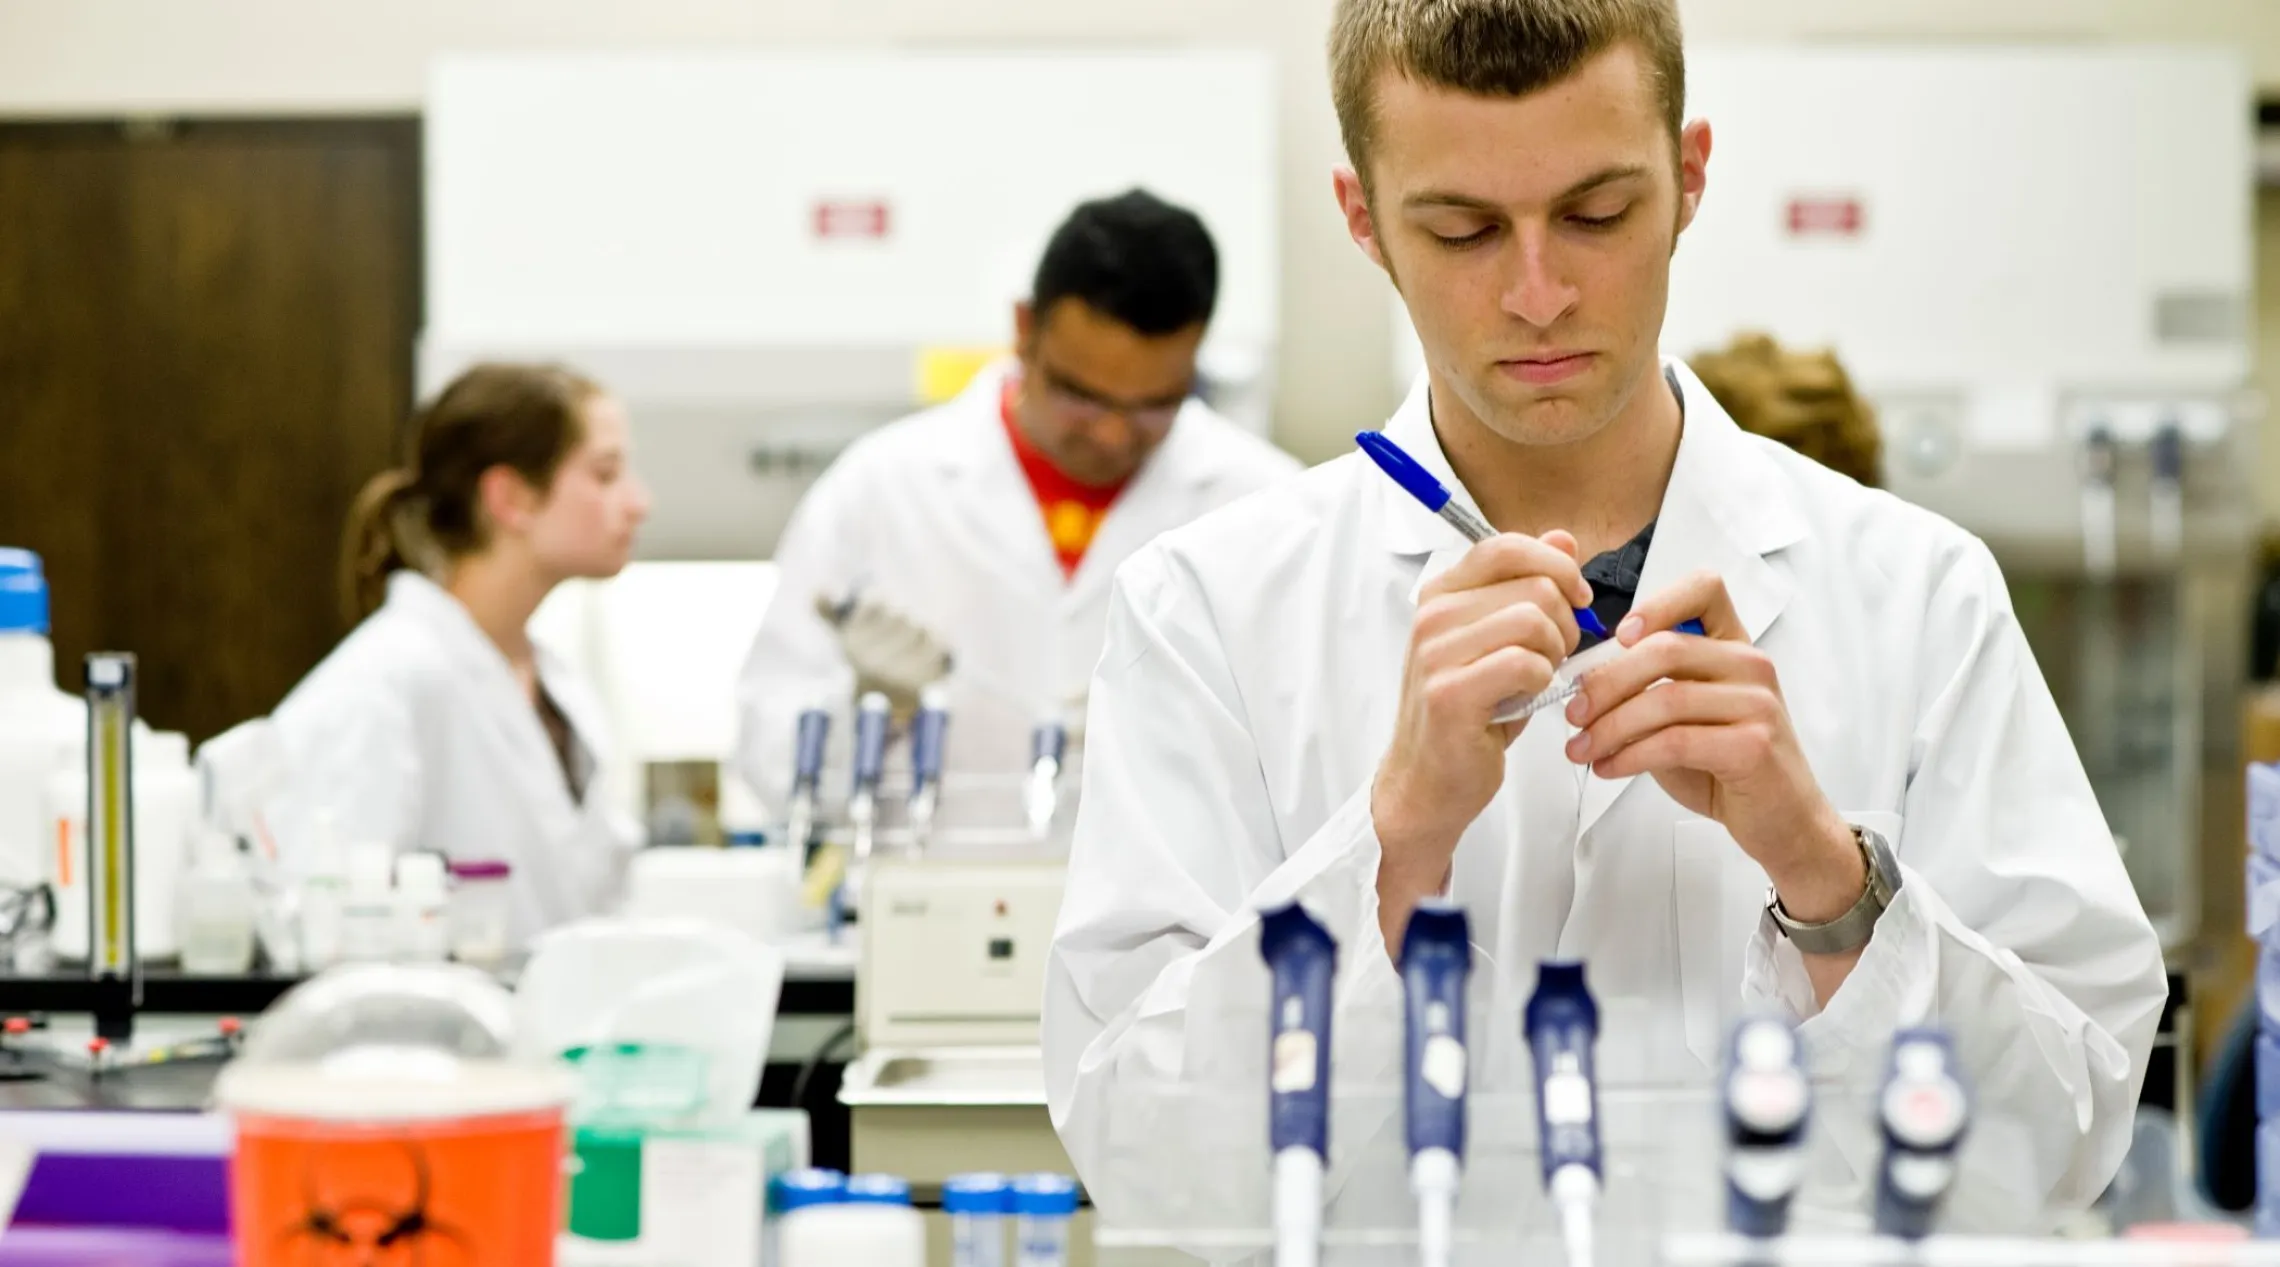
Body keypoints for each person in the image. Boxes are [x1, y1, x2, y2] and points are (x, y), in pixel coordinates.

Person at [1044, 0, 2163, 1226]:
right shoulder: (1210, 611)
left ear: (1688, 180)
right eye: (1463, 228)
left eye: (1596, 215)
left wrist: (1828, 880)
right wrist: (1393, 838)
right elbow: (1146, 1168)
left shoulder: (1917, 593)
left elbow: (2065, 1147)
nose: (1538, 294)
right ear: (1363, 220)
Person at [733, 189, 1301, 827]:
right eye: (1082, 397)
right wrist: (865, 707)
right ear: (1025, 331)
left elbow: (1327, 767)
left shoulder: (1269, 508)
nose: (1113, 436)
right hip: (926, 910)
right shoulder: (879, 492)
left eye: (1154, 406)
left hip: (1183, 924)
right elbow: (768, 762)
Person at [266, 362, 651, 947]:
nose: (637, 503)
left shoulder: (554, 681)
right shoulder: (385, 682)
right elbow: (318, 931)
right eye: (605, 475)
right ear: (510, 498)